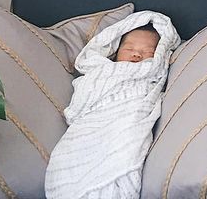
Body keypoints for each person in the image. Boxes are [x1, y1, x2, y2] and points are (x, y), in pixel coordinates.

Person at [45, 11, 180, 199]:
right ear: (115, 51)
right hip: (92, 124)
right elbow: (83, 98)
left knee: (124, 149)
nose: (136, 53)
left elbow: (150, 96)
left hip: (127, 115)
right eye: (129, 48)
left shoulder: (152, 74)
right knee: (70, 166)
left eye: (148, 51)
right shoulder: (102, 71)